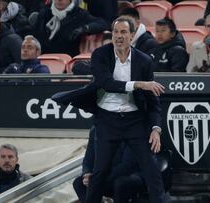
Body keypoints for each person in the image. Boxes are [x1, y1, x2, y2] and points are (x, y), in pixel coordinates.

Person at [52, 17, 166, 203]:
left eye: (123, 32)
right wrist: (139, 84)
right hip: (107, 120)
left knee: (151, 170)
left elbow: (152, 101)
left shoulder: (144, 61)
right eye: (115, 32)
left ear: (131, 35)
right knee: (100, 172)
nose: (119, 36)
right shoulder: (100, 55)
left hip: (134, 120)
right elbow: (107, 84)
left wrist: (155, 129)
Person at [31, 0, 109, 57]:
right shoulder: (44, 14)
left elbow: (102, 23)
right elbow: (35, 36)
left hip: (69, 60)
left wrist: (85, 28)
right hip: (44, 59)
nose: (59, 0)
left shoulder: (79, 14)